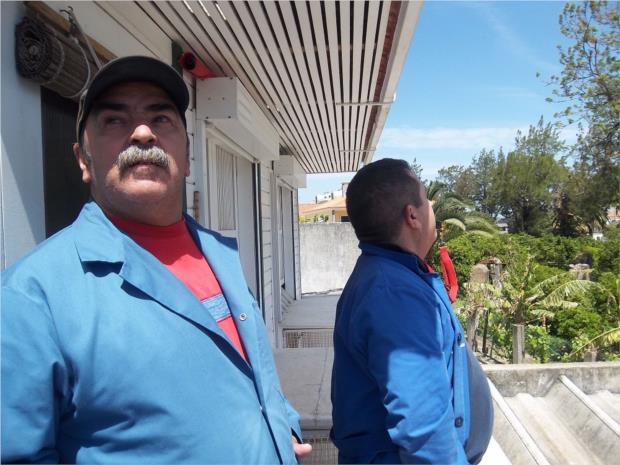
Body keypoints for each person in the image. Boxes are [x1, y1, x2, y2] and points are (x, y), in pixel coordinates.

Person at [1, 55, 311, 464]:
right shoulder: (30, 296)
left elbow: (252, 374)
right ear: (83, 160)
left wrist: (282, 427)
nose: (143, 133)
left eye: (161, 118)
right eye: (115, 120)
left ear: (188, 156)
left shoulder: (220, 256)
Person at [330, 158, 493, 464]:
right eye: (426, 197)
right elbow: (423, 426)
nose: (432, 204)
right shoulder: (394, 293)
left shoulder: (392, 276)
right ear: (412, 215)